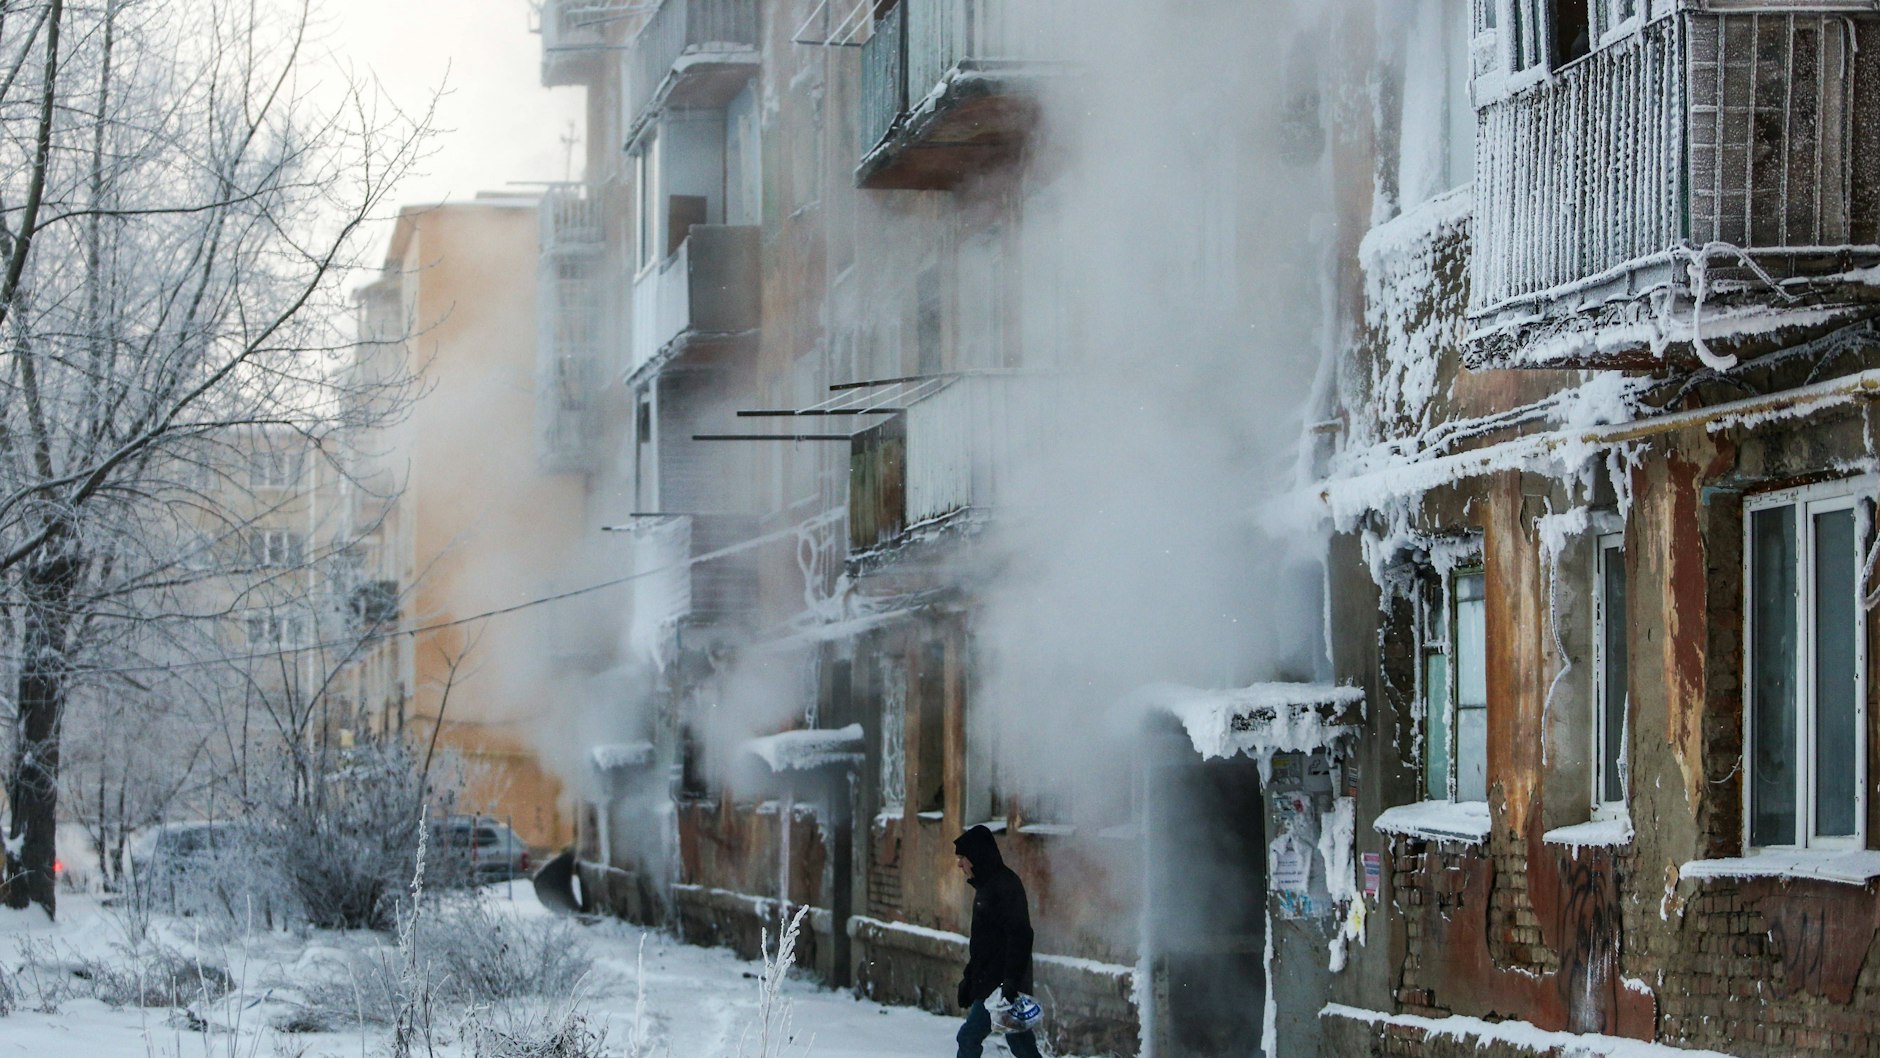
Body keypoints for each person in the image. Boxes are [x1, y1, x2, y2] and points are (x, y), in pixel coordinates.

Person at [953, 824, 1042, 1058]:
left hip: (1003, 986)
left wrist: (1011, 981)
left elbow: (1020, 935)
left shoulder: (1004, 886)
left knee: (969, 1037)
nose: (959, 864)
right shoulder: (986, 888)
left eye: (962, 858)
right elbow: (985, 945)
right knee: (1020, 1044)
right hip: (993, 984)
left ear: (976, 857)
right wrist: (970, 980)